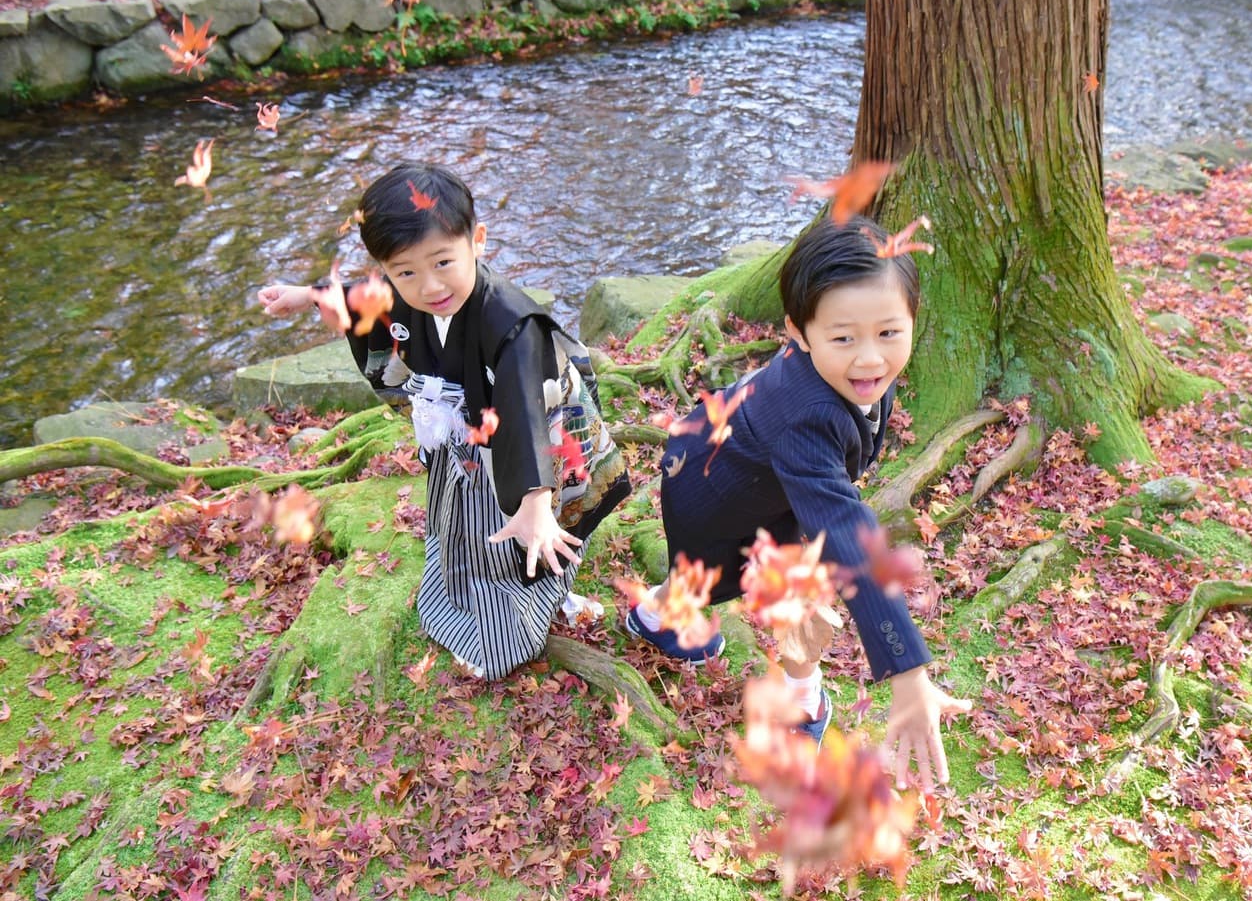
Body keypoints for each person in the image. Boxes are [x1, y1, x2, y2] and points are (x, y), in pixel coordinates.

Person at [627, 216, 967, 791]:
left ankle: (656, 617)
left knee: (706, 576)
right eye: (844, 338)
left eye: (889, 333)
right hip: (715, 491)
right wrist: (908, 671)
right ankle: (798, 701)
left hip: (725, 469)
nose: (870, 361)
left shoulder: (843, 377)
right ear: (798, 332)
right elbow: (842, 523)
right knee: (797, 594)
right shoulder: (804, 414)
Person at [257, 163, 628, 680]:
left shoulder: (512, 325)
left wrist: (535, 502)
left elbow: (525, 409)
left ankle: (525, 622)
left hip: (530, 450)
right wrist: (310, 295)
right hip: (465, 439)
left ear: (477, 240)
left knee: (528, 539)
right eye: (405, 271)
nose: (429, 286)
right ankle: (473, 603)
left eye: (443, 262)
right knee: (467, 534)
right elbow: (366, 297)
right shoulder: (400, 289)